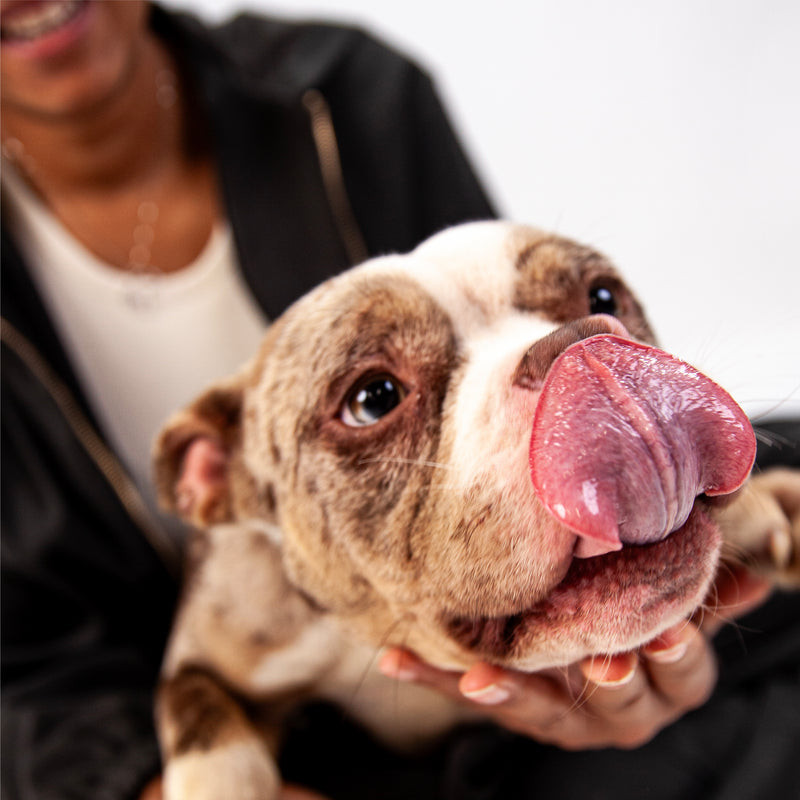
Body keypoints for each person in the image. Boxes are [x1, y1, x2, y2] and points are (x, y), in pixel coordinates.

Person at [1, 2, 797, 799]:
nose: (569, 348)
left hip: (533, 600)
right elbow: (32, 672)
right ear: (207, 477)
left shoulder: (349, 84)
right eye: (374, 396)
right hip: (298, 730)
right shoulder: (238, 587)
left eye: (595, 300)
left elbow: (494, 351)